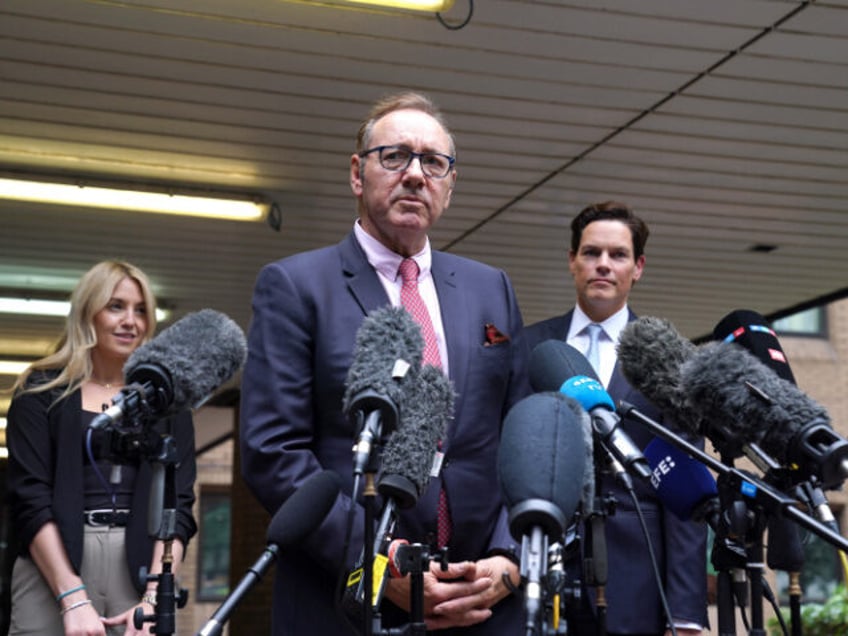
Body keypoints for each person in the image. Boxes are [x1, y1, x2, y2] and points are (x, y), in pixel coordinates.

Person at [239, 91, 531, 635]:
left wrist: (509, 557)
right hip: (346, 601)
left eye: (434, 162)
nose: (416, 175)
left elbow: (522, 439)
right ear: (358, 173)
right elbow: (272, 452)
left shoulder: (491, 288)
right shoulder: (297, 286)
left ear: (449, 184)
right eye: (395, 156)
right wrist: (379, 560)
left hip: (482, 602)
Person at [524, 201, 708, 636]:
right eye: (591, 253)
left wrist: (684, 614)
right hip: (539, 571)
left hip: (636, 581)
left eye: (618, 255)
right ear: (572, 261)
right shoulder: (530, 347)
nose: (603, 265)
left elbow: (684, 491)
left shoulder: (669, 358)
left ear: (638, 266)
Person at [5, 260, 197, 636]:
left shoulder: (168, 402)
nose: (131, 321)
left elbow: (179, 506)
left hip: (140, 566)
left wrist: (155, 595)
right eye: (116, 306)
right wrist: (72, 597)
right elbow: (30, 499)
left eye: (141, 310)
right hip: (54, 565)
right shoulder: (39, 393)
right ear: (87, 313)